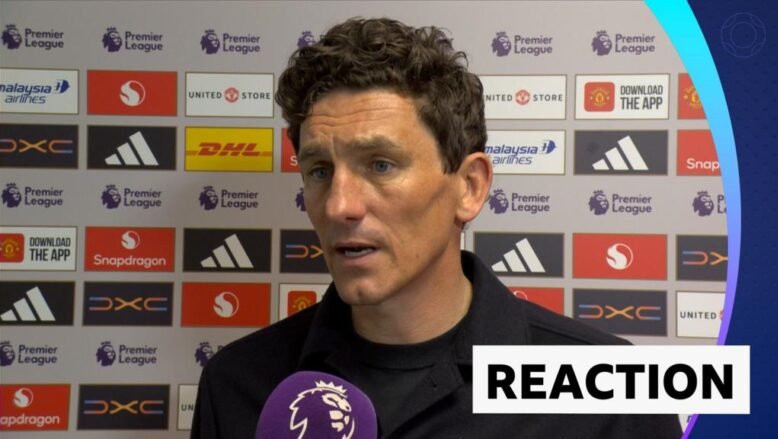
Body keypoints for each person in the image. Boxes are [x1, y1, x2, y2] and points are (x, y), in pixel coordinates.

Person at [191, 17, 683, 439]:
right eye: (320, 171)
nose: (339, 205)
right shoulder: (237, 384)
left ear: (469, 187)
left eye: (380, 165)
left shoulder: (611, 394)